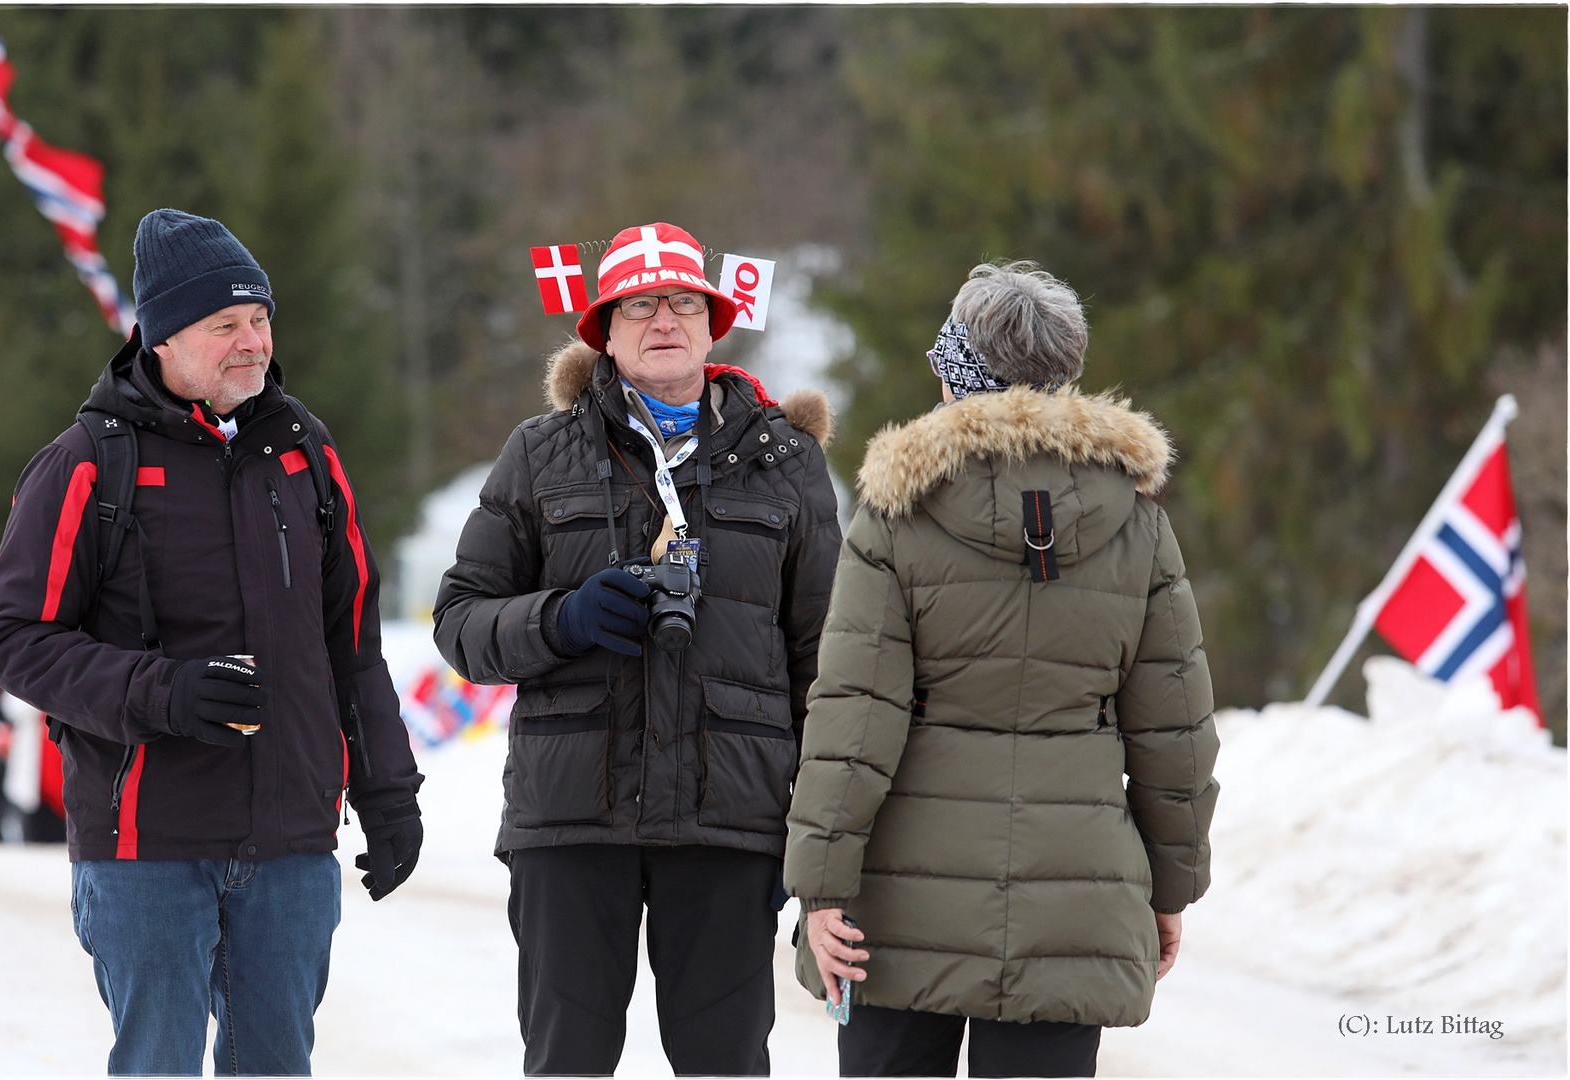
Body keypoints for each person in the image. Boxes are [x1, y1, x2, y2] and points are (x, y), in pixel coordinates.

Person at [0, 209, 424, 1077]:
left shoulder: (306, 454)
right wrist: (161, 692)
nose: (253, 343)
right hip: (148, 849)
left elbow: (353, 645)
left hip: (290, 844)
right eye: (225, 326)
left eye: (261, 320)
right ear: (161, 337)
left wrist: (388, 792)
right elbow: (11, 636)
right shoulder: (85, 462)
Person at [784, 262, 1219, 1078]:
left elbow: (853, 720)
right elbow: (1176, 735)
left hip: (900, 906)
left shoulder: (895, 515)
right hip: (1076, 898)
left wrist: (821, 889)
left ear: (955, 376)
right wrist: (1170, 885)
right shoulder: (1138, 520)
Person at [434, 221, 841, 1076]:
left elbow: (825, 664)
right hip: (573, 820)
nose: (665, 320)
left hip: (729, 822)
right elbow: (460, 623)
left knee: (726, 1063)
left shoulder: (787, 463)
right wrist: (560, 620)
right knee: (567, 1061)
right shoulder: (540, 455)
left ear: (713, 322)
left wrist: (822, 833)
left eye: (684, 302)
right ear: (604, 331)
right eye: (641, 305)